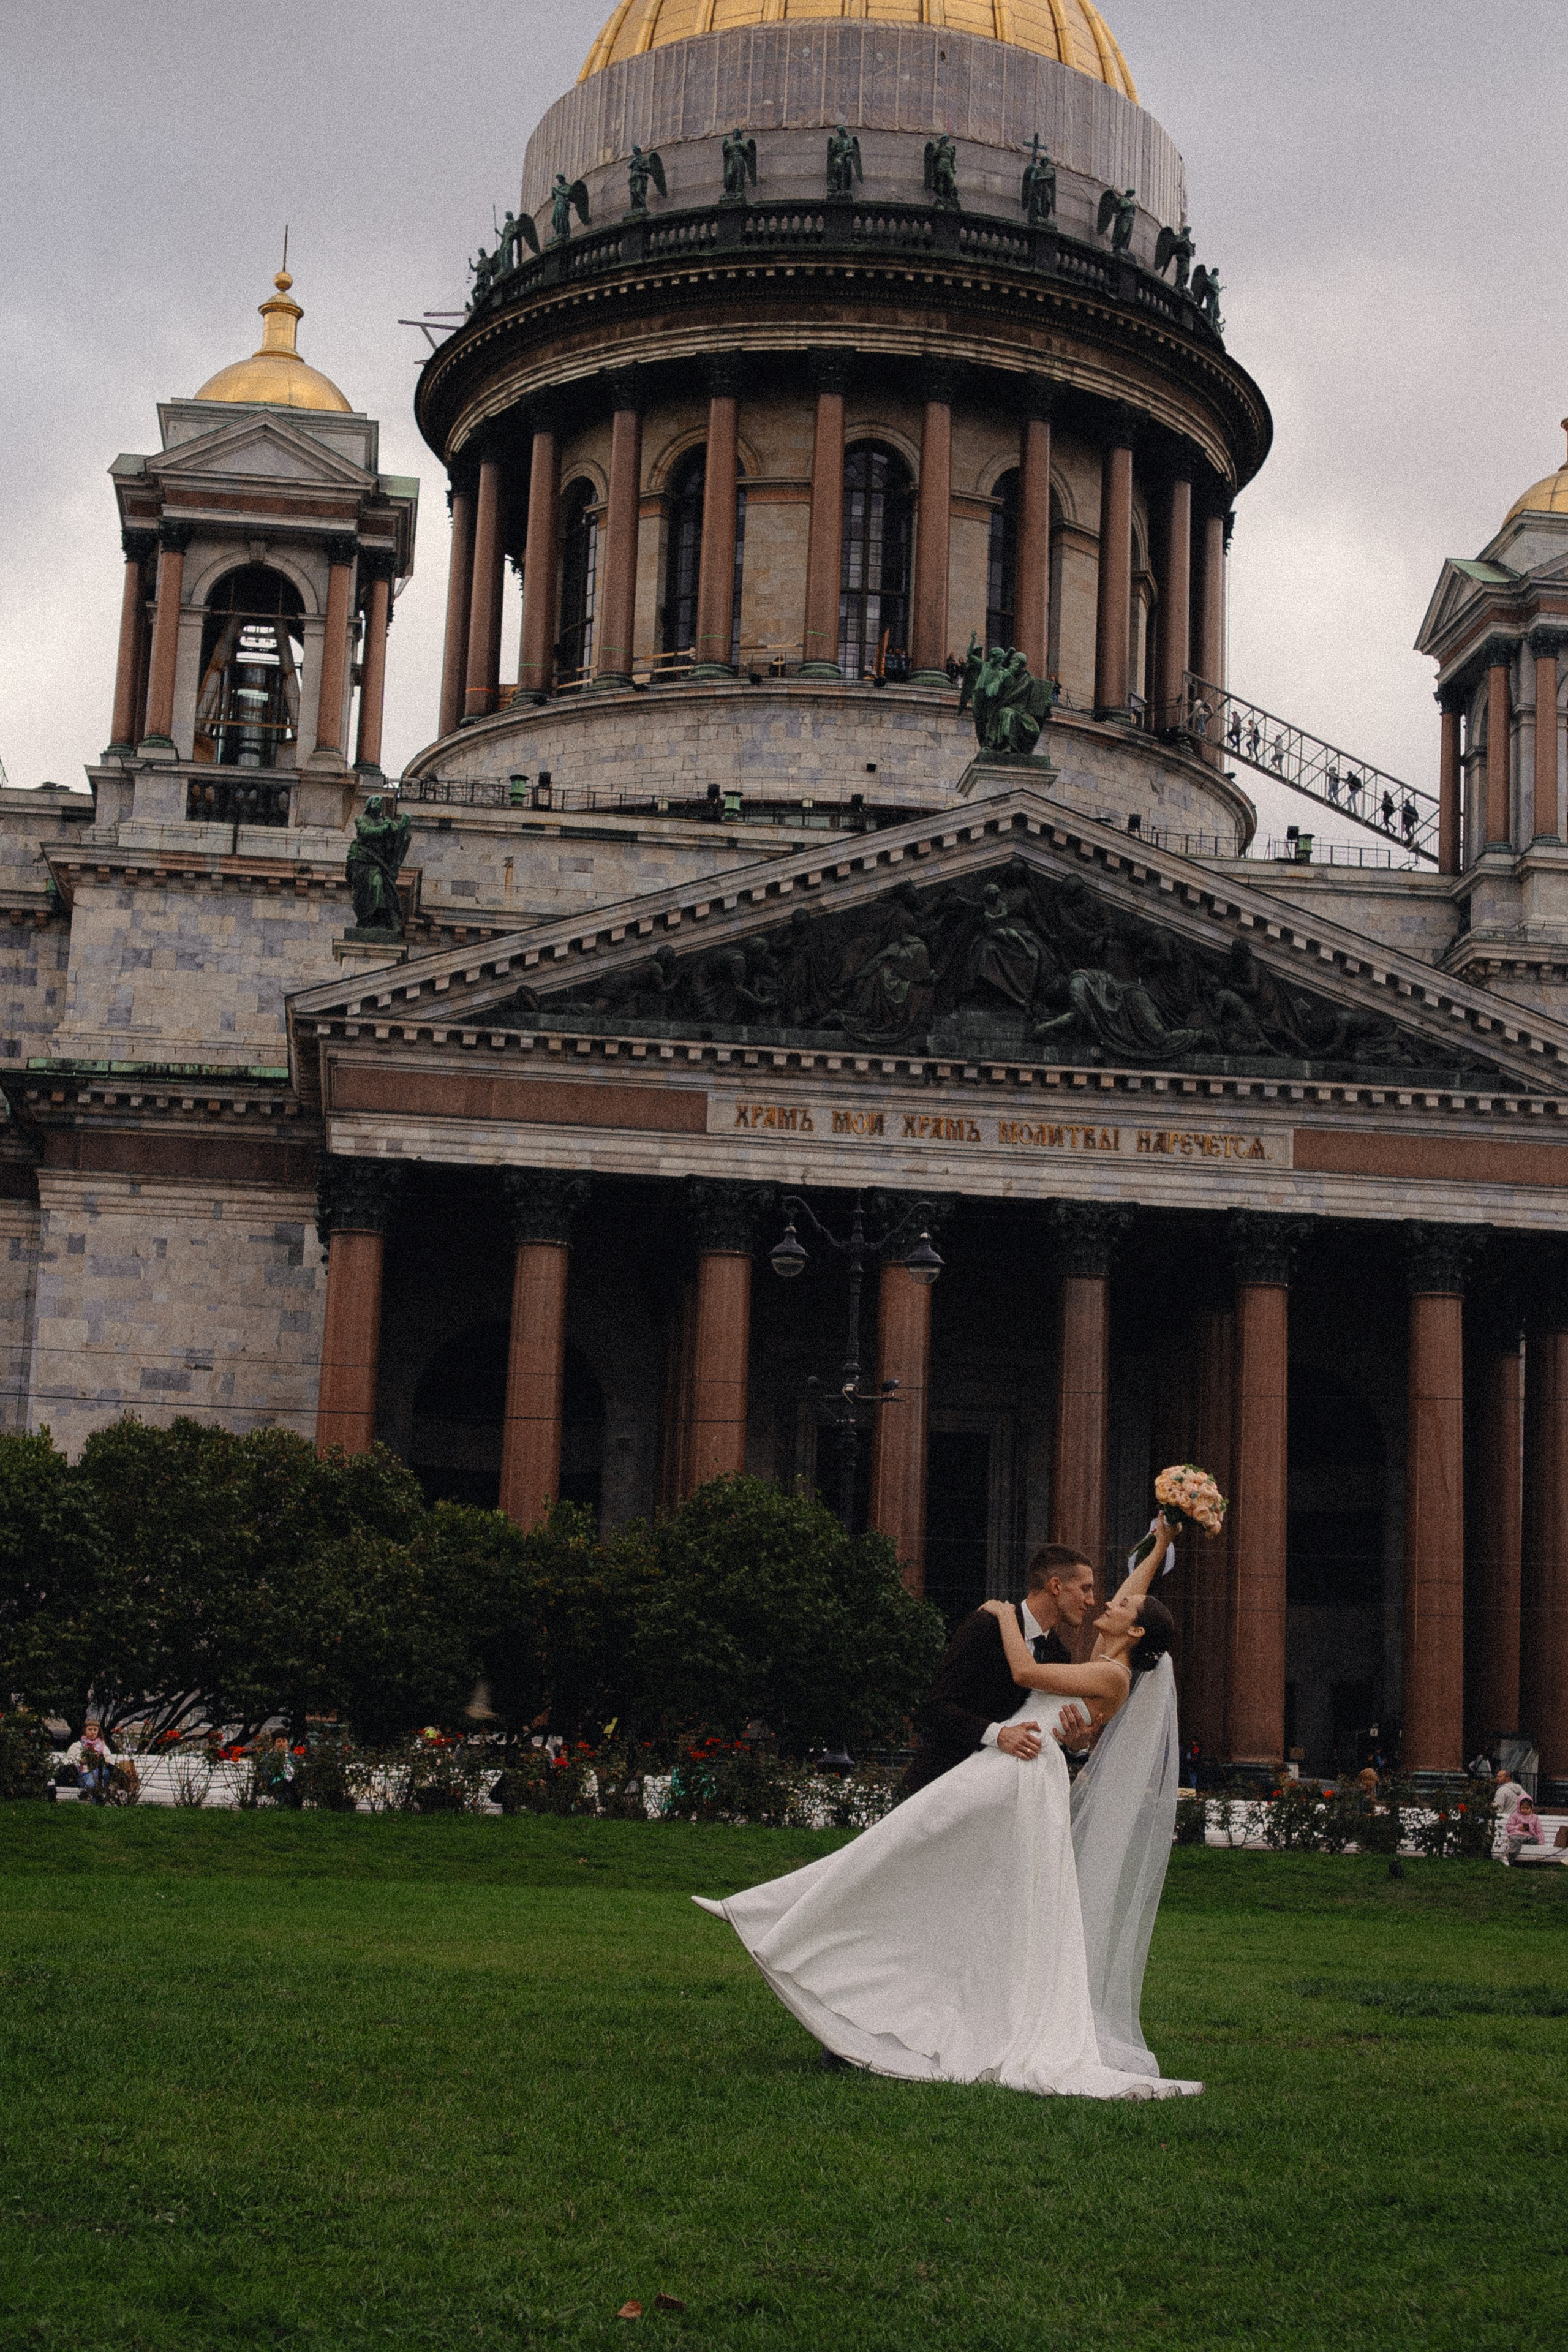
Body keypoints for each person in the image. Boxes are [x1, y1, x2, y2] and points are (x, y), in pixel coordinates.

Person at [693, 1521, 1201, 2100]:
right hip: (987, 1771)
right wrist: (1160, 1543)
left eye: (1116, 1601)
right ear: (1057, 1587)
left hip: (1021, 1779)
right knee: (890, 1862)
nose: (1103, 1599)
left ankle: (771, 1919)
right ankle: (773, 1918)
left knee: (921, 1878)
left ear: (1134, 1628)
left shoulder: (1095, 1663)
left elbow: (1027, 1676)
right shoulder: (1101, 1653)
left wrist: (1006, 1618)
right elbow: (954, 1703)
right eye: (1089, 1590)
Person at [899, 1544, 1096, 1795]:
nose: (1091, 1601)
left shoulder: (1059, 1654)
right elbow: (935, 1706)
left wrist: (1076, 1746)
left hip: (1002, 1794)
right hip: (942, 1783)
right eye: (1085, 1589)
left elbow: (1044, 1730)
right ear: (1056, 1586)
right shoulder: (985, 1626)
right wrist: (999, 1734)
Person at [62, 1719, 121, 1802]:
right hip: (83, 1775)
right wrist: (80, 1761)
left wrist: (102, 1761)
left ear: (98, 1731)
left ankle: (97, 1801)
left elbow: (109, 1761)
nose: (92, 1732)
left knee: (103, 1772)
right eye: (90, 1729)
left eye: (95, 1730)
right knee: (93, 1782)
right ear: (85, 1731)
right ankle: (98, 1801)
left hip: (101, 1774)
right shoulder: (77, 1746)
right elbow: (67, 1762)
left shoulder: (102, 1746)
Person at [1503, 1794, 1543, 1864]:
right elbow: (1508, 1827)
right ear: (1519, 1807)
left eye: (1528, 1808)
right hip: (1516, 1835)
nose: (1525, 1810)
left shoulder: (1534, 1818)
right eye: (1523, 1808)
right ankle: (1509, 1858)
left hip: (1528, 1837)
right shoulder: (1515, 1816)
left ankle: (1529, 1861)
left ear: (1531, 1808)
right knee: (1516, 1840)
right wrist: (1517, 1827)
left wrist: (1541, 1842)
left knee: (1534, 1840)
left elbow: (1539, 1830)